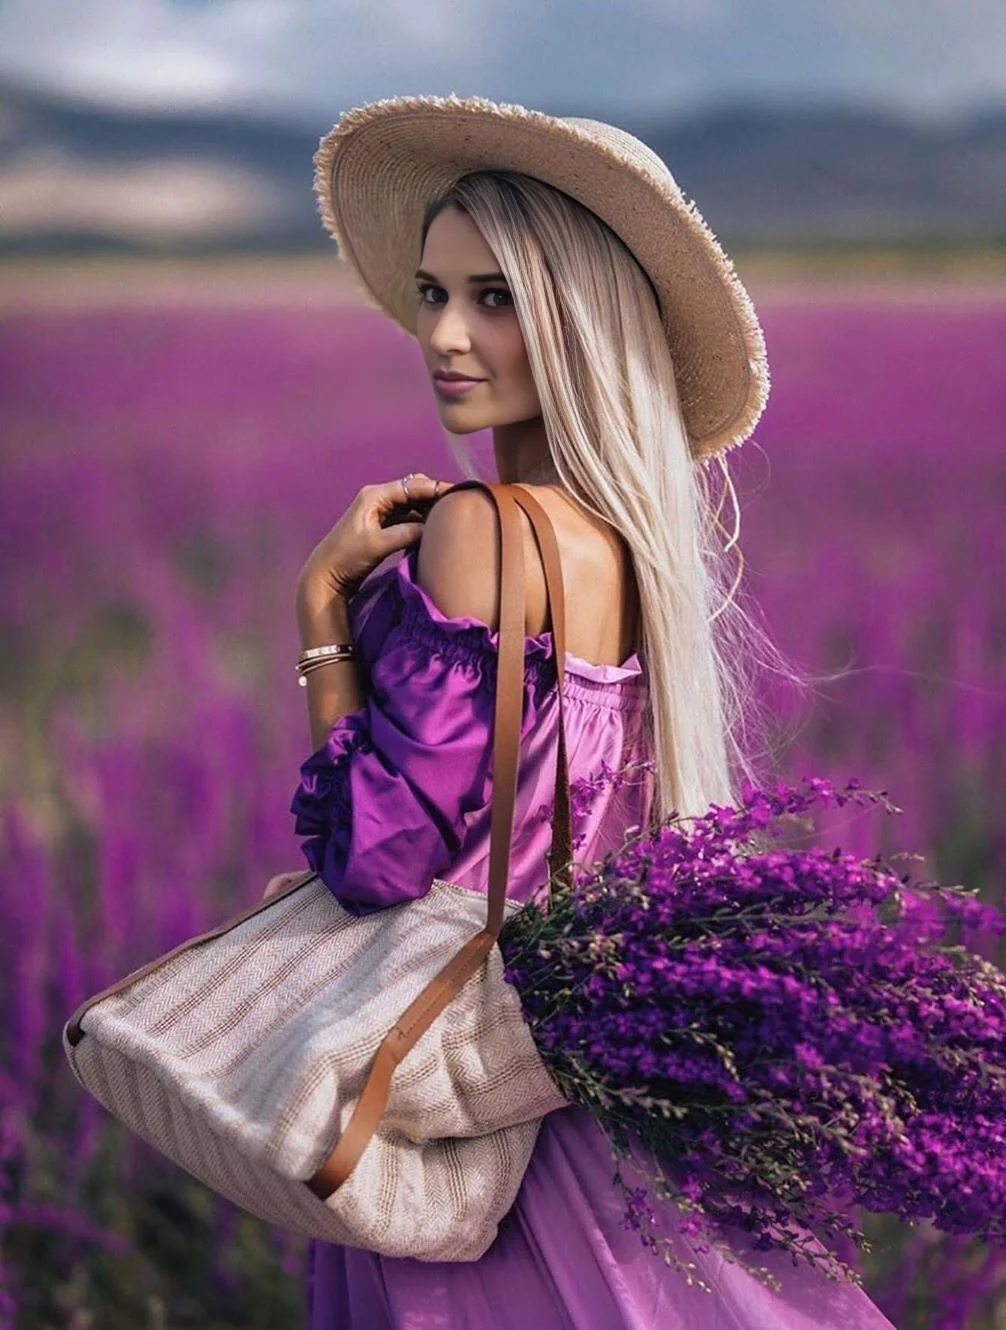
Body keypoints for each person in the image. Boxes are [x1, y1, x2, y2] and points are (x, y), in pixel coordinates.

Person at [279, 95, 898, 1329]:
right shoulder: (627, 548)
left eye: (497, 297)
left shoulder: (479, 529)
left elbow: (381, 860)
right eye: (433, 292)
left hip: (475, 1120)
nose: (447, 335)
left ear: (577, 320)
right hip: (595, 1085)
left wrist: (321, 607)